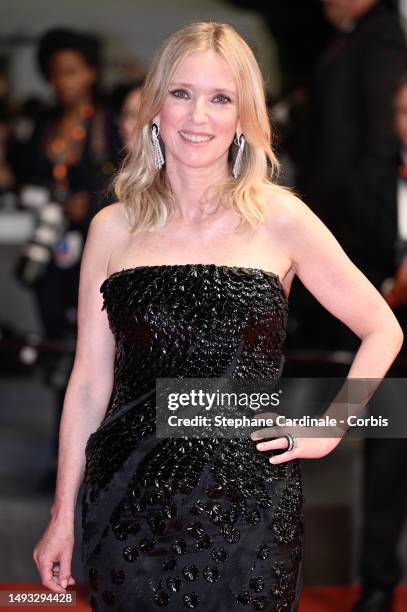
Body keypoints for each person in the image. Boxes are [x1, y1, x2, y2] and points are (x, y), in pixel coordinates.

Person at [32, 21, 403, 611]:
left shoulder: (281, 218)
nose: (197, 116)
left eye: (220, 97)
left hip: (249, 506)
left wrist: (331, 427)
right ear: (155, 105)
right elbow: (87, 383)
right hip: (126, 501)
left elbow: (383, 327)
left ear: (243, 116)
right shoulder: (113, 227)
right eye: (181, 93)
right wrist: (61, 516)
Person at [14, 28, 121, 489]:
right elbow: (24, 176)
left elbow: (125, 181)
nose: (63, 82)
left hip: (93, 250)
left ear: (91, 73)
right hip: (51, 252)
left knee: (96, 355)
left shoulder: (110, 123)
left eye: (72, 72)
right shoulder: (41, 125)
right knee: (60, 355)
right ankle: (66, 463)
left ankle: (99, 460)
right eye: (56, 74)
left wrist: (89, 203)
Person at [291, 0, 407, 350]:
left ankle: (353, 407)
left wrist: (358, 210)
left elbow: (380, 136)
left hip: (360, 223)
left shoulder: (379, 36)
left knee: (365, 336)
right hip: (344, 218)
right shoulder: (356, 36)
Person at [350, 76, 407, 612]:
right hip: (391, 339)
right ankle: (377, 584)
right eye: (402, 110)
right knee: (385, 467)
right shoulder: (371, 180)